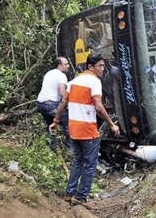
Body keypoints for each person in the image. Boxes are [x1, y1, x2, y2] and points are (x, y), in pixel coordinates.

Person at [49, 54, 120, 209]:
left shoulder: (73, 81)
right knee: (90, 164)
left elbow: (63, 102)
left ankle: (69, 193)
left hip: (74, 129)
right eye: (99, 66)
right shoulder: (94, 81)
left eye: (103, 65)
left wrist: (55, 121)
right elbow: (99, 106)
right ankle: (80, 197)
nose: (102, 68)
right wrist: (111, 125)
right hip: (88, 129)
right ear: (90, 67)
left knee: (78, 161)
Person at [36, 57, 74, 155]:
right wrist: (70, 104)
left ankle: (51, 150)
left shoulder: (49, 73)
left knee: (50, 125)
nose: (68, 66)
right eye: (66, 64)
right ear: (59, 66)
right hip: (51, 104)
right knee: (68, 123)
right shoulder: (61, 76)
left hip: (40, 104)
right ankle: (72, 149)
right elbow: (62, 93)